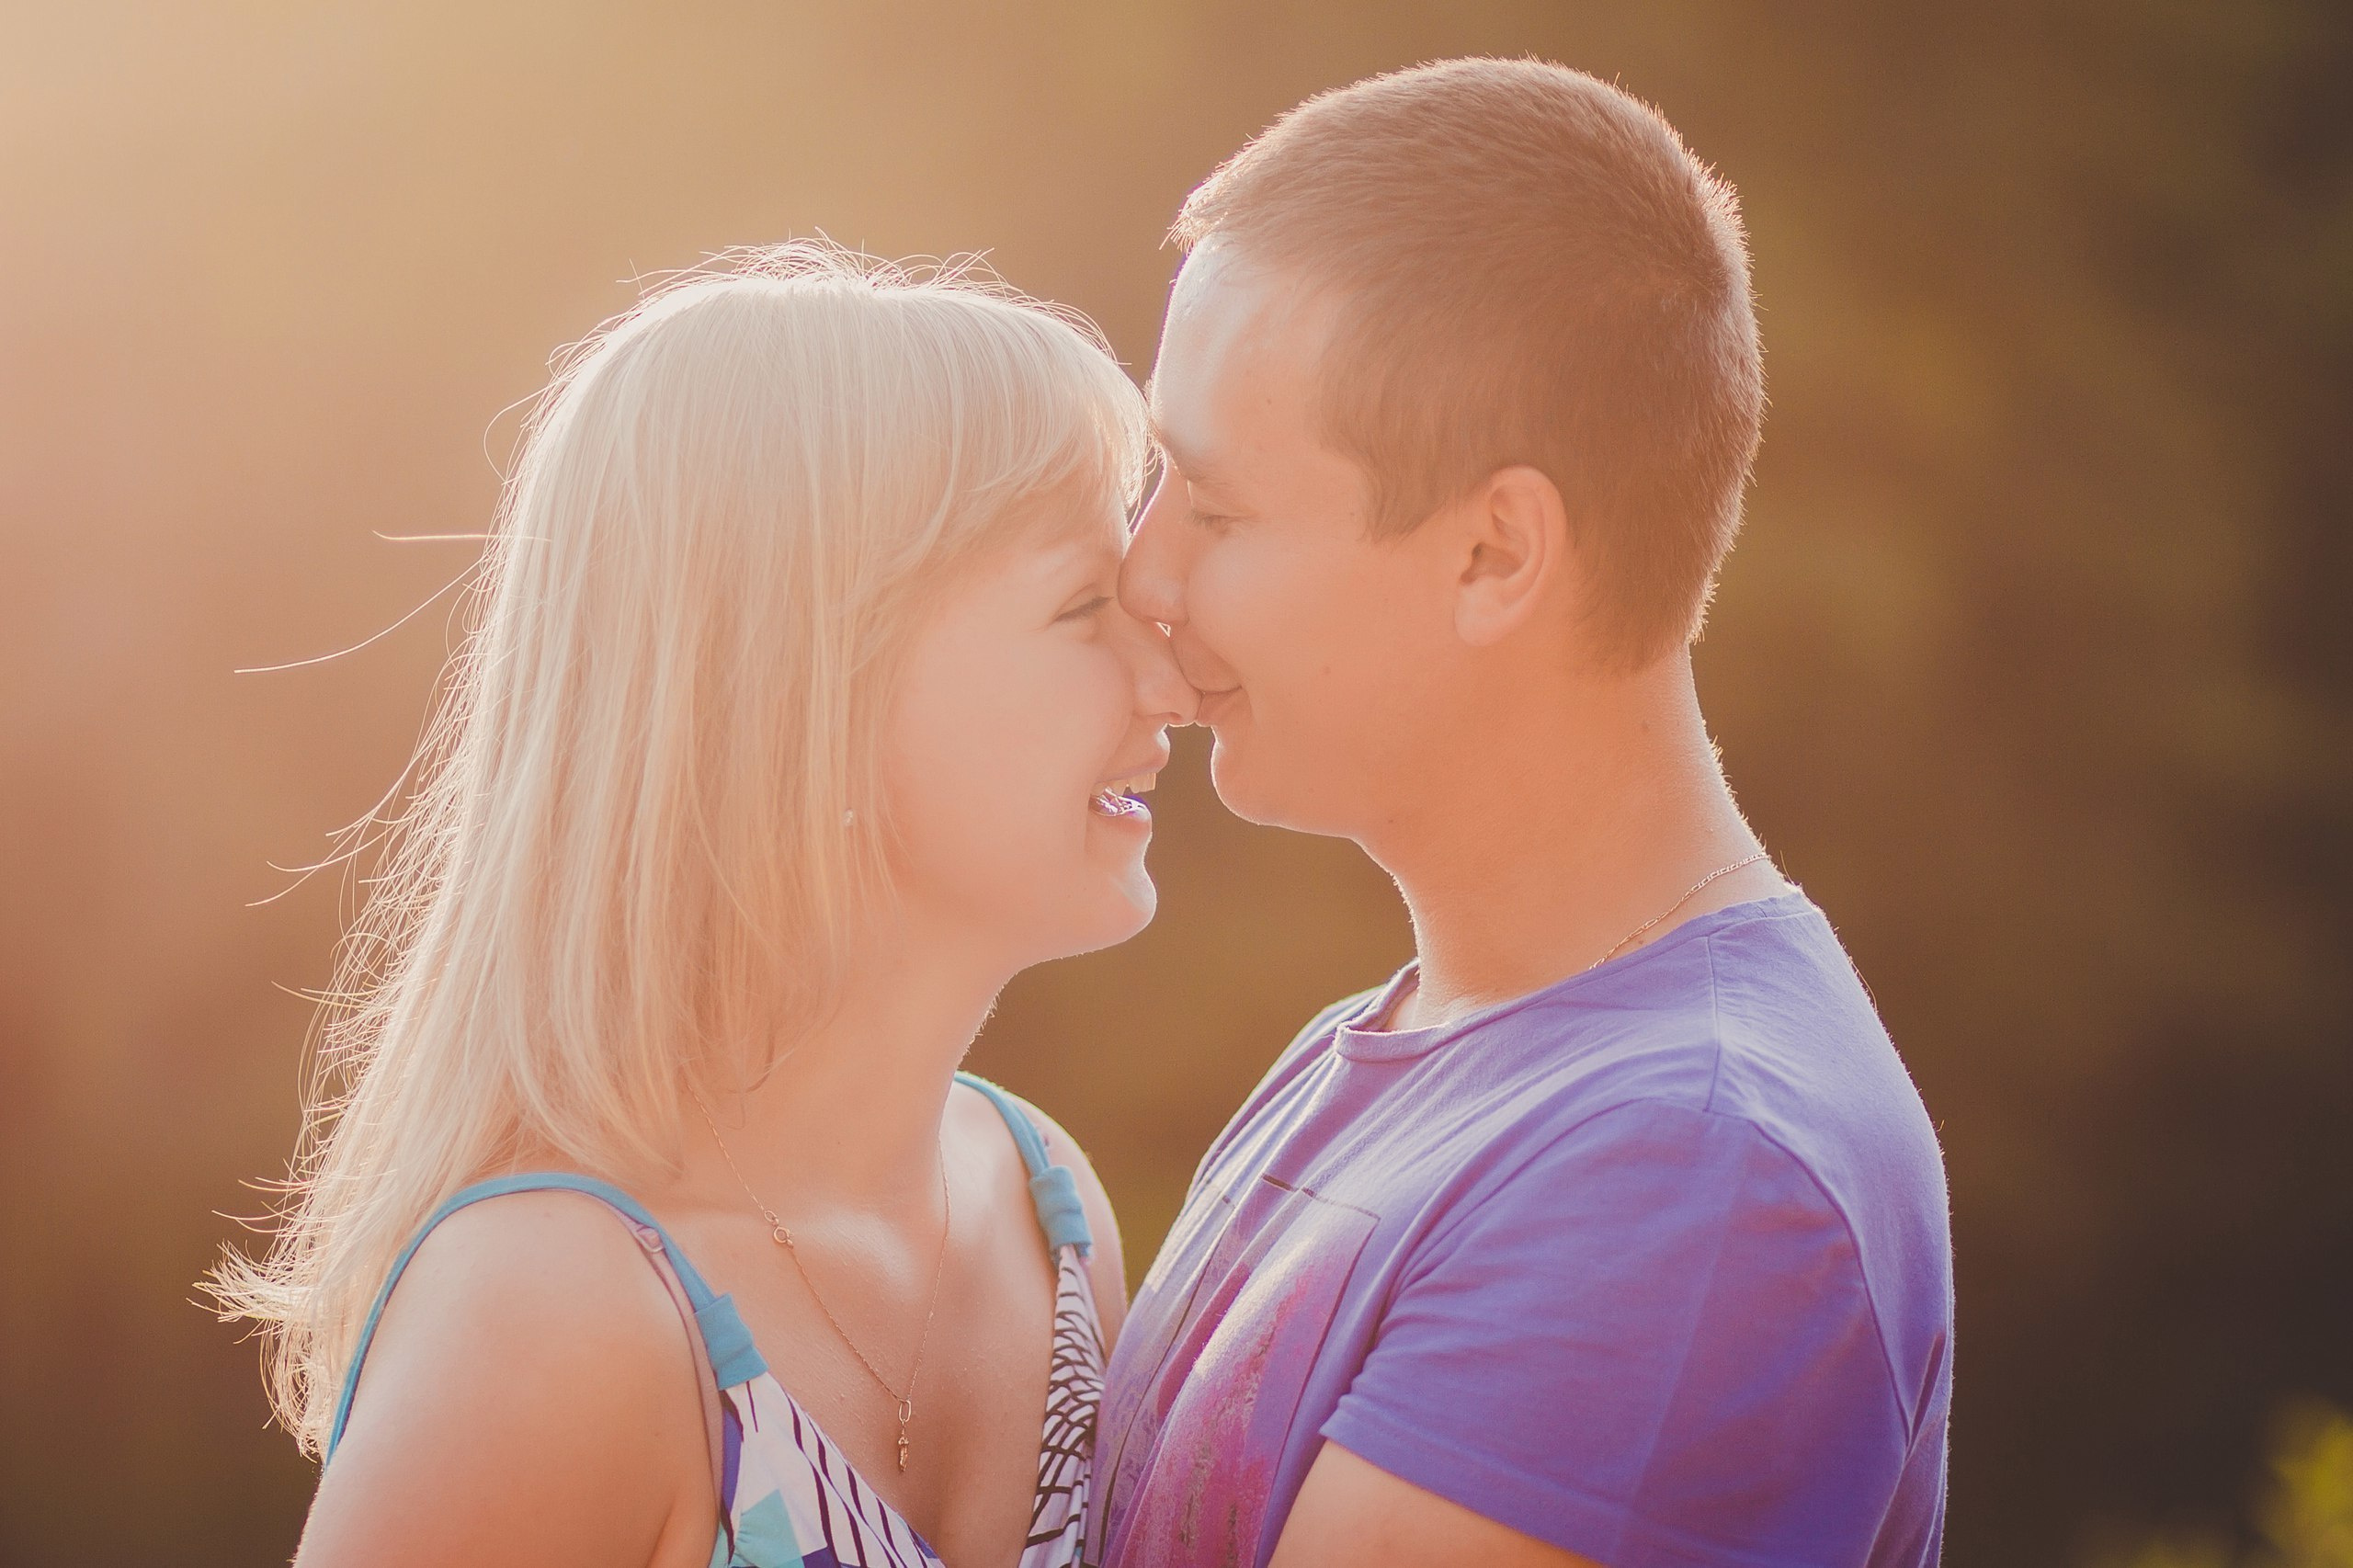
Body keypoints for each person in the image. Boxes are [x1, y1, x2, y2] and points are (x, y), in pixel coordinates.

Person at [210, 244, 1195, 1568]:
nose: (1171, 684)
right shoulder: (551, 1319)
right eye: (1086, 606)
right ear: (810, 689)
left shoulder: (1046, 1208)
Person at [1094, 59, 1954, 1568]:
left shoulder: (1698, 1178)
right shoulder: (1393, 1047)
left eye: (1215, 511)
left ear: (1496, 552)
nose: (1144, 574)